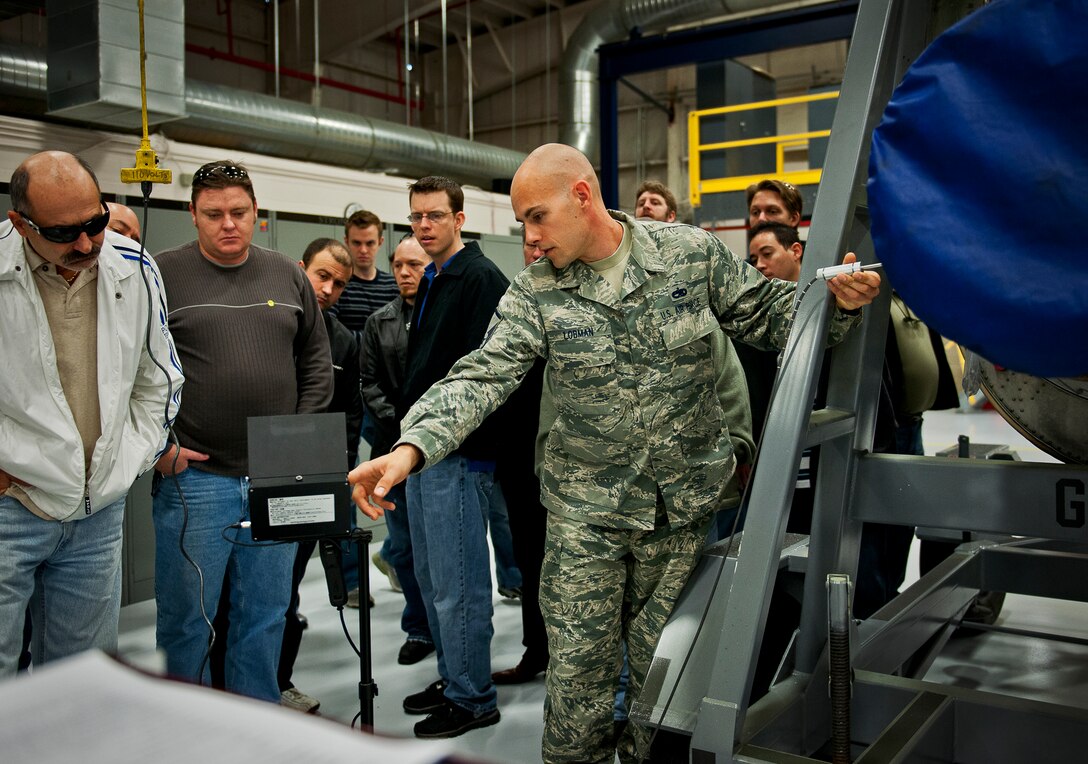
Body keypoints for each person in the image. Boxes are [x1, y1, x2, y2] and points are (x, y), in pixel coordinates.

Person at [349, 144, 880, 764]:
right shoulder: (535, 292)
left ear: (582, 195)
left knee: (668, 697)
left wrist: (837, 303)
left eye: (538, 216)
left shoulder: (688, 253)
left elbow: (767, 316)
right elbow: (482, 375)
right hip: (585, 522)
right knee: (576, 702)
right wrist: (411, 447)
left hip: (681, 517)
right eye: (524, 222)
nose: (532, 235)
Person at [152, 160, 333, 703]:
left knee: (265, 615)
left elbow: (316, 363)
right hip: (196, 481)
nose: (227, 224)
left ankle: (255, 726)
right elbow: (131, 369)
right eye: (213, 214)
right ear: (192, 214)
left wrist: (294, 445)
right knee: (188, 621)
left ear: (257, 214)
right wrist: (160, 446)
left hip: (276, 478)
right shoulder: (159, 274)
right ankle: (188, 732)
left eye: (239, 212)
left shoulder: (287, 273)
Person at [0, 150, 182, 675]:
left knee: (82, 680)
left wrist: (123, 465)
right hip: (11, 504)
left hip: (97, 511)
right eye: (62, 232)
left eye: (95, 222)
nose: (85, 244)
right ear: (20, 222)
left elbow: (160, 380)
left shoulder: (134, 266)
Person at [393, 175, 510, 739]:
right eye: (416, 217)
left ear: (460, 219)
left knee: (458, 583)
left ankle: (473, 697)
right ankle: (453, 676)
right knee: (433, 575)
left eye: (435, 216)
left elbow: (490, 374)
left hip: (459, 454)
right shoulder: (437, 277)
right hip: (423, 453)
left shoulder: (480, 278)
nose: (423, 226)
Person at [276, 237, 364, 713]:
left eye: (339, 284)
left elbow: (349, 415)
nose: (329, 289)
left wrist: (336, 473)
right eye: (322, 276)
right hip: (250, 477)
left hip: (309, 481)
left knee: (286, 587)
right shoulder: (271, 324)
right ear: (299, 267)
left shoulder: (345, 341)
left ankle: (280, 680)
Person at [360, 234, 435, 666]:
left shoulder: (441, 315)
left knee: (437, 548)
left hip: (440, 448)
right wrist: (402, 424)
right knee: (404, 545)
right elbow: (368, 382)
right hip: (392, 445)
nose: (405, 273)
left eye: (415, 265)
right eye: (399, 265)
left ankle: (443, 626)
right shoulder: (379, 322)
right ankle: (419, 628)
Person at [328, 209, 399, 341]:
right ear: (346, 241)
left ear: (380, 242)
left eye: (370, 243)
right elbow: (332, 332)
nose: (363, 250)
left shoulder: (394, 286)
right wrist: (377, 340)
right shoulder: (337, 284)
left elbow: (399, 334)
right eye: (357, 243)